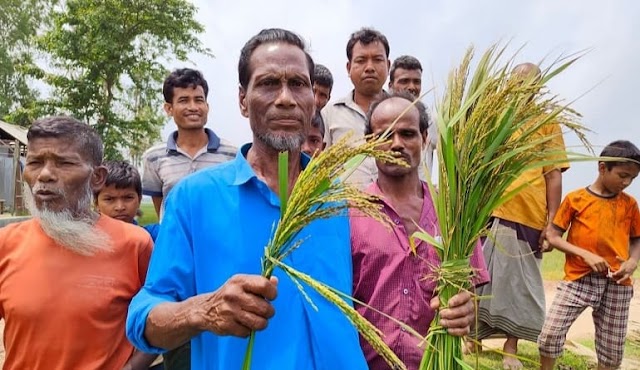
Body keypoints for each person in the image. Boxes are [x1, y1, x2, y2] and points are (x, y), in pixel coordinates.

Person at [127, 28, 368, 370]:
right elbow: (142, 318)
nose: (286, 98)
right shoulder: (195, 198)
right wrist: (202, 310)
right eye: (269, 83)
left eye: (298, 84)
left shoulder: (336, 198)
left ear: (313, 100)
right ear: (243, 100)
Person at [0, 116, 154, 370]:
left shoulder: (134, 244)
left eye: (64, 163)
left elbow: (158, 319)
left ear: (97, 178)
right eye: (35, 162)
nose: (45, 175)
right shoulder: (6, 242)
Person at [351, 92, 489, 369]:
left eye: (408, 134)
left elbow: (470, 294)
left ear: (425, 138)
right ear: (369, 143)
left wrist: (465, 310)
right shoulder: (348, 213)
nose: (396, 144)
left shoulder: (453, 215)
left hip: (436, 363)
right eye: (385, 135)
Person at [471, 62, 569, 369]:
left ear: (538, 88)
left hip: (528, 214)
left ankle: (510, 348)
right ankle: (471, 338)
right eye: (517, 82)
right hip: (487, 210)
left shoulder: (547, 123)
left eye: (529, 84)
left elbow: (553, 175)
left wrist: (552, 223)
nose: (522, 89)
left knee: (520, 285)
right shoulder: (492, 118)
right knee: (477, 276)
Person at [538, 140, 640, 370]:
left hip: (617, 282)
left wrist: (633, 261)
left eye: (632, 178)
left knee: (611, 350)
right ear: (603, 168)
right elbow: (553, 237)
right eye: (623, 175)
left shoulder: (630, 205)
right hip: (578, 278)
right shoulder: (576, 199)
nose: (626, 182)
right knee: (550, 335)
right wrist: (586, 255)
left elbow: (636, 239)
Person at [141, 68, 237, 219]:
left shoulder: (232, 154)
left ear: (207, 106)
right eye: (183, 100)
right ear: (169, 108)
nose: (193, 107)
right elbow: (162, 208)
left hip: (219, 240)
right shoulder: (153, 157)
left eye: (199, 100)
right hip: (175, 239)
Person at [322, 27, 390, 188]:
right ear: (348, 67)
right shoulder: (330, 114)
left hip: (395, 211)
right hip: (345, 210)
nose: (369, 67)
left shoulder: (404, 113)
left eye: (377, 60)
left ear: (388, 65)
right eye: (361, 60)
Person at [388, 54, 437, 180]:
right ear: (390, 86)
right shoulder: (379, 118)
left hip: (420, 196)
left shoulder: (430, 118)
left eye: (417, 82)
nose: (412, 87)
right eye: (404, 81)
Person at [96, 160, 160, 241]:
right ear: (96, 203)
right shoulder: (85, 243)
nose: (120, 207)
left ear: (139, 200)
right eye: (109, 199)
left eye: (128, 198)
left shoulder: (154, 236)